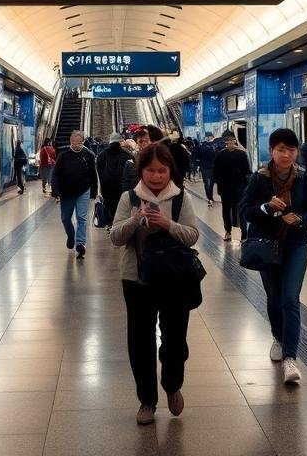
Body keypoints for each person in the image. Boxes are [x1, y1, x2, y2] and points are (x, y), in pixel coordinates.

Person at [108, 144, 200, 425]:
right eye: (151, 170)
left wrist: (167, 224)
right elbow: (115, 237)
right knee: (140, 340)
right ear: (141, 172)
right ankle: (146, 401)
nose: (157, 176)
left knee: (174, 338)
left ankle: (172, 384)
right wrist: (136, 220)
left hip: (175, 277)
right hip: (136, 279)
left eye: (162, 170)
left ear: (170, 171)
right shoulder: (129, 198)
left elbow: (193, 236)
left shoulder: (181, 198)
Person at [240, 128, 307, 385]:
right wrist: (266, 207)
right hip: (268, 246)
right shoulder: (260, 178)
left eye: (290, 149)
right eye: (280, 149)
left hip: (296, 244)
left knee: (290, 298)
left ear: (296, 152)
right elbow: (244, 210)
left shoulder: (302, 178)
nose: (285, 154)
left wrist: (300, 219)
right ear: (271, 151)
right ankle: (278, 336)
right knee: (274, 298)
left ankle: (290, 358)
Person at [51, 130, 99, 259]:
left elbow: (93, 175)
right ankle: (71, 236)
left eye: (79, 143)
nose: (76, 145)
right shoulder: (63, 155)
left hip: (84, 190)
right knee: (65, 218)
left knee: (81, 218)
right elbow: (55, 174)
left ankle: (80, 244)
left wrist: (94, 191)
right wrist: (55, 191)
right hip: (66, 192)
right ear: (70, 142)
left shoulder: (89, 155)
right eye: (73, 142)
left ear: (83, 142)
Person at [212, 131, 252, 242]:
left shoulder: (241, 154)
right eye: (228, 141)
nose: (230, 143)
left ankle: (244, 234)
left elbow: (247, 171)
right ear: (225, 142)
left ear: (235, 141)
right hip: (226, 188)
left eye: (232, 140)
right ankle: (228, 231)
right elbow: (216, 172)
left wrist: (246, 185)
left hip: (238, 187)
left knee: (240, 210)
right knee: (226, 210)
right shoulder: (220, 155)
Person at [96, 133, 135, 226]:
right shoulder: (128, 155)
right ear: (120, 142)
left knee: (110, 206)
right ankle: (121, 225)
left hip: (107, 187)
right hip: (123, 187)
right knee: (123, 207)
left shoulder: (102, 155)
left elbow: (98, 171)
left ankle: (111, 224)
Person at [194, 133, 218, 206]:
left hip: (204, 167)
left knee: (206, 183)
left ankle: (209, 197)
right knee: (211, 183)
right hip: (212, 167)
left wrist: (198, 165)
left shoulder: (201, 146)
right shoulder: (214, 147)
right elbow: (216, 157)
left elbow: (197, 157)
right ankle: (210, 196)